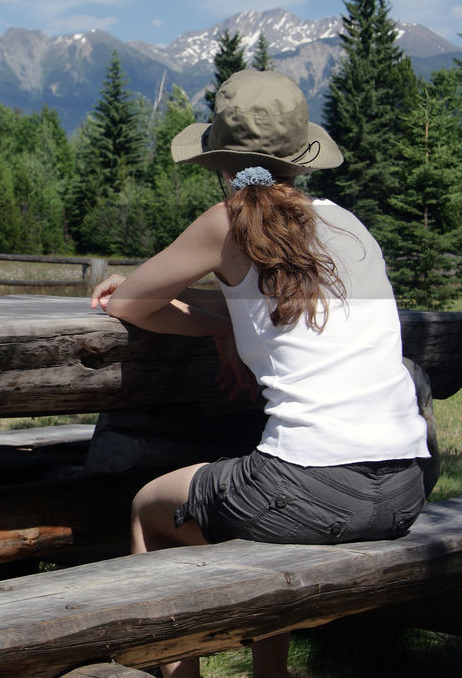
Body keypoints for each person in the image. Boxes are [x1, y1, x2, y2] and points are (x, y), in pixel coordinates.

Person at [90, 69, 430, 678]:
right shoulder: (349, 225)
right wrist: (225, 323)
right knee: (265, 512)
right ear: (301, 158)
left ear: (221, 161)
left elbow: (127, 304)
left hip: (308, 496)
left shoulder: (226, 223)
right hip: (405, 488)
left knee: (148, 509)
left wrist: (209, 323)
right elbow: (296, 313)